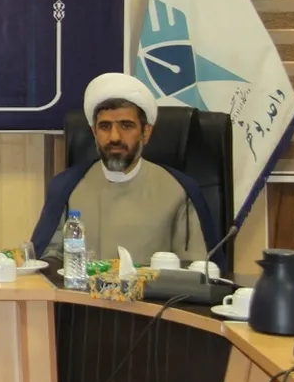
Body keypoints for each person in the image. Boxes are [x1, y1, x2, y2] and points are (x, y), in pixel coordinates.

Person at [30, 72, 220, 265]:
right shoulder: (67, 187)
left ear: (146, 132)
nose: (114, 137)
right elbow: (48, 258)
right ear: (94, 132)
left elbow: (195, 268)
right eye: (105, 126)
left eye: (126, 126)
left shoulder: (179, 190)